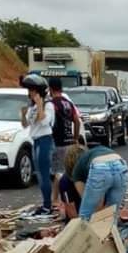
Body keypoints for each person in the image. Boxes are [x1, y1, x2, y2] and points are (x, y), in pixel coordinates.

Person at [21, 74, 56, 216]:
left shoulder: (49, 105)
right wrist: (23, 115)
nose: (29, 93)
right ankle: (45, 204)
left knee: (44, 174)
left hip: (45, 140)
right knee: (40, 175)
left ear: (38, 91)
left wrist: (40, 105)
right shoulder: (32, 107)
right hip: (35, 140)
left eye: (32, 90)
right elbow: (25, 125)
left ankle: (47, 206)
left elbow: (44, 122)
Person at [69, 143, 128, 221]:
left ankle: (84, 232)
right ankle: (110, 231)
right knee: (112, 212)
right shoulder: (90, 155)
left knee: (85, 214)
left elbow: (88, 199)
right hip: (121, 165)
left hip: (100, 166)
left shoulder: (76, 173)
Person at [47, 77, 83, 205]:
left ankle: (55, 199)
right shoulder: (68, 103)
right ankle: (69, 197)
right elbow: (77, 120)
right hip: (69, 141)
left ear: (50, 88)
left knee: (58, 171)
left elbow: (49, 123)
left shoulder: (52, 104)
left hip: (58, 141)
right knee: (69, 171)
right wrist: (75, 137)